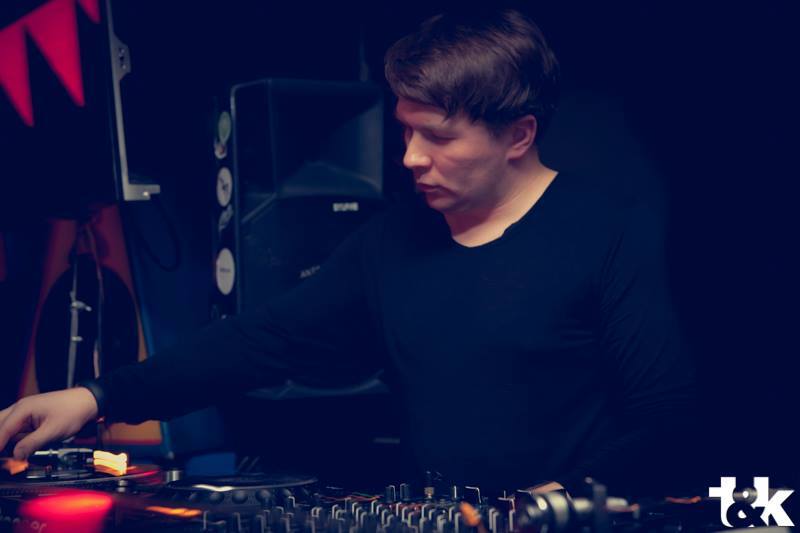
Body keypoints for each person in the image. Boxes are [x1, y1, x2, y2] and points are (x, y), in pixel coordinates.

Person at [0, 8, 696, 497]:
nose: (411, 157)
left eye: (439, 137)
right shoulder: (392, 241)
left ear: (519, 135)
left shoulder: (608, 230)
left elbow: (665, 416)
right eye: (406, 131)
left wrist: (556, 502)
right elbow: (261, 340)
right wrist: (96, 395)